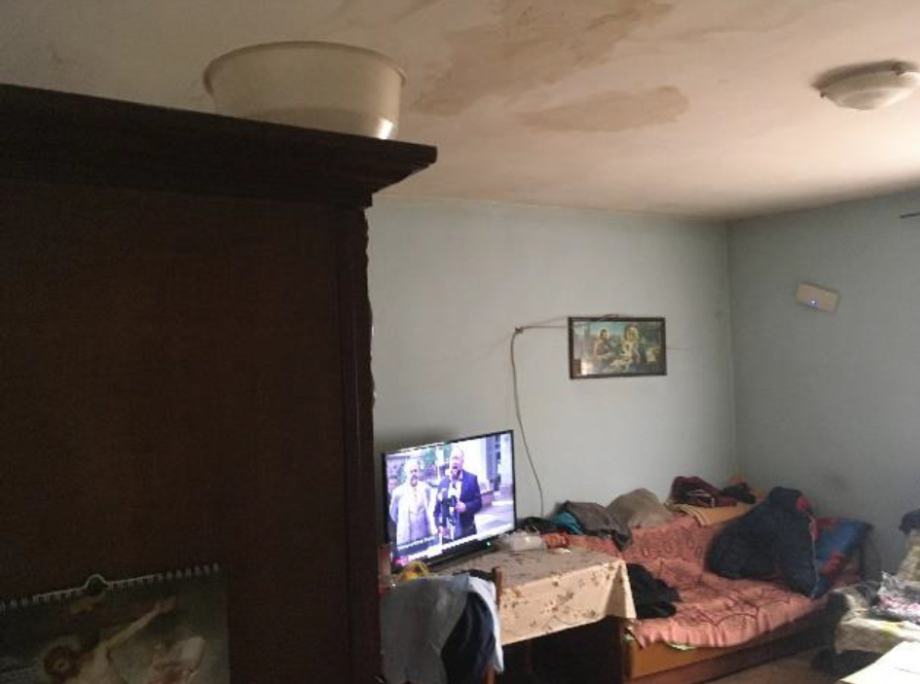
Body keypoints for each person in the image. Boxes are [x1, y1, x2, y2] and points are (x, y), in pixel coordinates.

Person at [44, 598, 176, 684]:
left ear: (68, 657)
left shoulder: (100, 651)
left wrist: (154, 612)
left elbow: (128, 632)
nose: (64, 670)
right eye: (59, 669)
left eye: (62, 664)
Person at [388, 458, 437, 548]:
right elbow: (393, 514)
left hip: (424, 537)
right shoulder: (398, 492)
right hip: (406, 539)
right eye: (411, 471)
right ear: (406, 473)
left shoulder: (426, 488)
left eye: (416, 471)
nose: (414, 474)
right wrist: (403, 523)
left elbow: (429, 504)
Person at [435, 449, 483, 541]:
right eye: (452, 458)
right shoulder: (442, 483)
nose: (454, 462)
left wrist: (466, 507)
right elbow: (437, 511)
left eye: (457, 458)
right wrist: (439, 526)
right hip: (447, 538)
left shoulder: (471, 479)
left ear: (462, 462)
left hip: (467, 534)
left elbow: (479, 503)